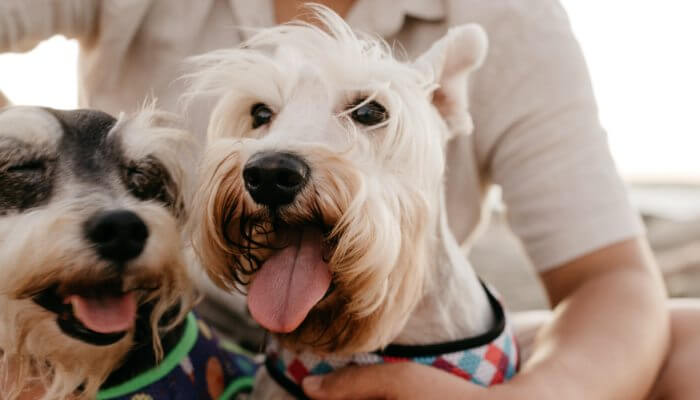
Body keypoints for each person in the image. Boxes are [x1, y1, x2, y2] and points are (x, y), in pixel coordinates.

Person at [1, 1, 697, 398]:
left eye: (367, 115)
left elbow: (608, 277)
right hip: (144, 321)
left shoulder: (505, 16)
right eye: (259, 118)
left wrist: (533, 399)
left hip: (412, 335)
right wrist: (21, 157)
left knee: (690, 338)